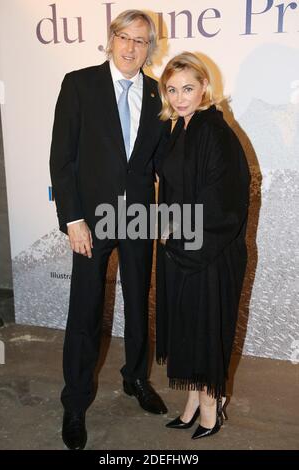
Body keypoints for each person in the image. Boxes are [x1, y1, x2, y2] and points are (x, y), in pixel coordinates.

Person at [50, 10, 170, 450]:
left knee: (138, 302)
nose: (131, 47)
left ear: (149, 48)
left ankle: (135, 378)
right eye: (124, 37)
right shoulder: (79, 83)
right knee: (85, 311)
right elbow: (61, 159)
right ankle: (75, 402)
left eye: (141, 41)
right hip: (90, 219)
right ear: (111, 38)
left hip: (138, 216)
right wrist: (72, 218)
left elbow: (157, 162)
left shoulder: (158, 94)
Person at [156, 52, 250, 439]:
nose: (180, 97)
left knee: (206, 326)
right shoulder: (181, 128)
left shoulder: (215, 131)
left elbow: (225, 201)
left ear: (205, 88)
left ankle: (212, 404)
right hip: (182, 246)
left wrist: (180, 233)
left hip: (210, 251)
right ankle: (193, 400)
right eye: (173, 89)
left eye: (188, 88)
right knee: (188, 325)